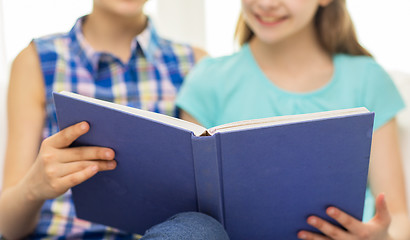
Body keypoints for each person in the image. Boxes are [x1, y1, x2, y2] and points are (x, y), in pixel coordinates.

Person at [176, 0, 410, 239]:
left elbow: (397, 218)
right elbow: (194, 216)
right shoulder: (208, 80)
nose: (266, 4)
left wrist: (381, 237)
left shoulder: (367, 80)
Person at [0, 0, 229, 239]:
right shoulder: (37, 60)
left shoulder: (194, 63)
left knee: (202, 228)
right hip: (59, 233)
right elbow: (9, 227)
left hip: (161, 234)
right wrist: (33, 188)